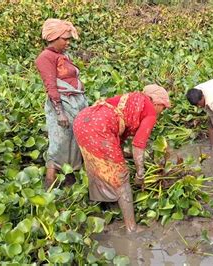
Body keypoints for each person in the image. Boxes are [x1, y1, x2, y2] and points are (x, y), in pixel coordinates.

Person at [72, 85, 171, 233]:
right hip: (100, 128)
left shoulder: (132, 99)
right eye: (163, 108)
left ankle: (104, 207)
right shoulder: (150, 111)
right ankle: (132, 228)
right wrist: (140, 173)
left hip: (82, 120)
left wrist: (128, 155)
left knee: (96, 168)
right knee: (122, 177)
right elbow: (138, 145)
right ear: (157, 103)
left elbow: (119, 129)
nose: (161, 112)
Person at [35, 19, 88, 188]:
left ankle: (69, 184)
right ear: (54, 37)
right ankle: (48, 186)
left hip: (75, 104)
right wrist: (60, 112)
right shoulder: (45, 57)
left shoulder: (63, 56)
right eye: (65, 39)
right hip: (62, 105)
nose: (68, 42)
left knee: (74, 142)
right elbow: (50, 85)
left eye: (69, 39)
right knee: (59, 144)